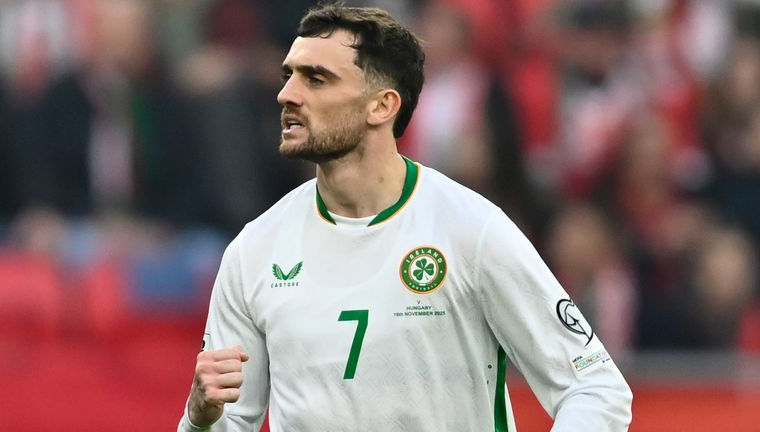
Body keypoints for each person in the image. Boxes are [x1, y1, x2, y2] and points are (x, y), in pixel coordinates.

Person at [178, 5, 632, 431]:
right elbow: (228, 421)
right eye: (288, 75)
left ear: (382, 105)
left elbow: (594, 386)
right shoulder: (254, 250)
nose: (286, 94)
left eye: (316, 79)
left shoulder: (471, 230)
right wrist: (200, 418)